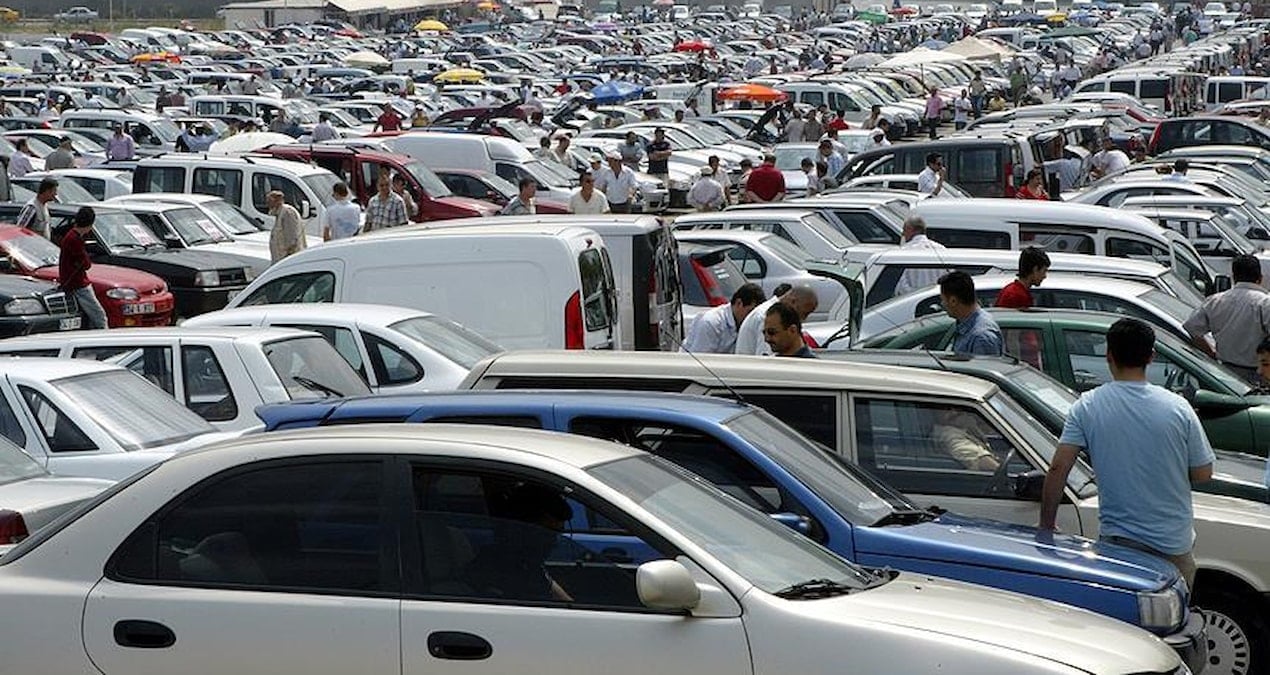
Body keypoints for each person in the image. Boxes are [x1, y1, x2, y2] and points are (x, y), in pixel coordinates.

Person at [1040, 317, 1213, 589]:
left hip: (1118, 546)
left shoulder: (1087, 406)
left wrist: (1047, 524)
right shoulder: (1178, 408)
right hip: (1173, 544)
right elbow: (1203, 473)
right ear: (1151, 356)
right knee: (1174, 621)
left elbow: (1058, 469)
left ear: (1109, 355)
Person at [465, 483, 574, 602]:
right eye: (547, 534)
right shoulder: (494, 572)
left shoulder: (527, 564)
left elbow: (565, 601)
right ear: (523, 528)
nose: (554, 543)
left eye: (555, 535)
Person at [1183, 253, 1270, 384]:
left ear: (1233, 277)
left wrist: (1211, 353)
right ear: (1260, 278)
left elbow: (1191, 328)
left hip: (1225, 375)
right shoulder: (1264, 303)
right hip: (1261, 374)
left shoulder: (1215, 301)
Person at [59, 206, 108, 330]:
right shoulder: (75, 240)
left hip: (73, 281)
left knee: (89, 316)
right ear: (90, 224)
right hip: (78, 283)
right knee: (99, 316)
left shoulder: (71, 235)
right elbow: (85, 264)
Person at [681, 282, 765, 353]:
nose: (751, 318)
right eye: (750, 312)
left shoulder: (746, 325)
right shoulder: (711, 323)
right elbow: (700, 361)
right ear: (739, 303)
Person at [735, 285, 818, 355]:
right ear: (793, 302)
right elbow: (765, 360)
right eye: (804, 313)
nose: (803, 319)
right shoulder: (767, 317)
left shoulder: (771, 314)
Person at [939, 271, 1003, 356]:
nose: (942, 304)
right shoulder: (964, 324)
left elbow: (983, 368)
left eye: (943, 299)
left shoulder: (981, 337)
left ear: (953, 301)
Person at [893, 216, 948, 296]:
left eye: (904, 229)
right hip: (938, 300)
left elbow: (900, 285)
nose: (903, 234)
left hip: (910, 302)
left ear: (910, 229)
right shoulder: (941, 249)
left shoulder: (904, 252)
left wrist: (914, 297)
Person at [933, 408, 999, 471]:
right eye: (946, 409)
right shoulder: (948, 434)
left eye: (957, 408)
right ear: (935, 412)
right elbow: (980, 459)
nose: (954, 412)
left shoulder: (963, 426)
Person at [266, 190, 306, 262]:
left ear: (277, 201)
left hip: (287, 259)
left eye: (270, 201)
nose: (268, 204)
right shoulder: (278, 213)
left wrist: (286, 256)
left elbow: (292, 238)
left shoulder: (287, 212)